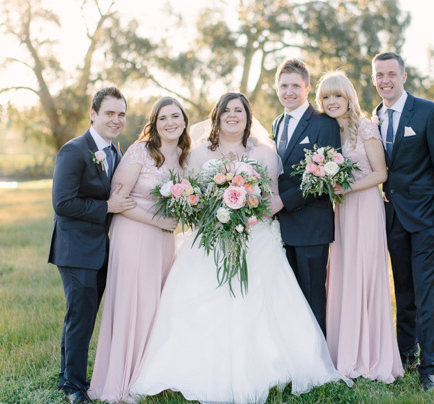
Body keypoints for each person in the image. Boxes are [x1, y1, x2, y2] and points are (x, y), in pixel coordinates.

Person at [130, 92, 349, 404]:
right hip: (210, 239)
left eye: (239, 111)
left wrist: (246, 211)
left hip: (256, 237)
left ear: (248, 118)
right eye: (226, 110)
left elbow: (272, 199)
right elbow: (193, 195)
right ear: (216, 116)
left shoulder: (265, 153)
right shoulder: (197, 153)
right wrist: (216, 213)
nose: (232, 115)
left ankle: (276, 365)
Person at [88, 97, 189, 403]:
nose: (169, 123)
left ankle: (149, 374)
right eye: (162, 118)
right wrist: (159, 221)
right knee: (133, 301)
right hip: (133, 233)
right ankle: (121, 381)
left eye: (175, 116)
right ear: (154, 124)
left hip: (163, 240)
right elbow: (118, 203)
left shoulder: (187, 157)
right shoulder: (140, 152)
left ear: (184, 121)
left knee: (156, 304)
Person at [371, 52, 434, 391]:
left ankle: (429, 368)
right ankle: (405, 353)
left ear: (403, 76)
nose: (385, 80)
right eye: (379, 75)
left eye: (391, 73)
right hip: (391, 217)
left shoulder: (428, 112)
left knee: (425, 293)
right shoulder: (374, 116)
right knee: (403, 290)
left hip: (425, 219)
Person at [48, 87, 136, 404]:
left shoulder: (116, 153)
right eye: (110, 113)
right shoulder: (74, 151)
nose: (116, 120)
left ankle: (75, 376)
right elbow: (63, 203)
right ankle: (73, 385)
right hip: (76, 250)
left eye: (121, 114)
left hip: (102, 250)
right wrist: (108, 208)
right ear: (93, 114)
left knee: (89, 315)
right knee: (81, 317)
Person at [316, 71, 404, 383]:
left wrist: (347, 188)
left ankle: (369, 353)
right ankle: (342, 350)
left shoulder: (365, 127)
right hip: (340, 212)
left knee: (364, 274)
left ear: (348, 97)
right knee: (342, 274)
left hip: (365, 208)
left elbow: (381, 173)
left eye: (337, 95)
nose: (331, 102)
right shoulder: (326, 132)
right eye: (326, 97)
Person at [272, 58, 341, 334]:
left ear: (307, 88)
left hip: (312, 225)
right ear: (277, 88)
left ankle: (318, 361)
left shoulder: (324, 124)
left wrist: (283, 201)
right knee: (289, 296)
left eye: (295, 86)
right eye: (283, 85)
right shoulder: (278, 123)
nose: (289, 91)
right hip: (280, 227)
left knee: (313, 295)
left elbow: (325, 176)